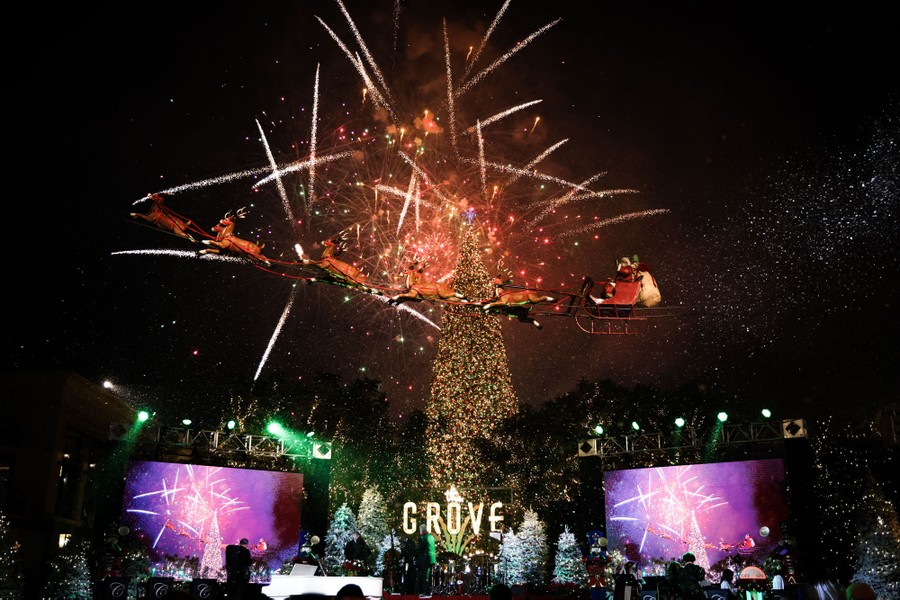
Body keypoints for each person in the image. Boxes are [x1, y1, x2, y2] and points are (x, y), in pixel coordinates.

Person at [416, 524, 437, 598]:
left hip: (426, 558)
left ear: (422, 530)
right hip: (432, 558)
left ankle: (426, 592)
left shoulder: (423, 538)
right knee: (429, 575)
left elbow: (421, 548)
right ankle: (429, 591)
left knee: (425, 576)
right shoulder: (431, 537)